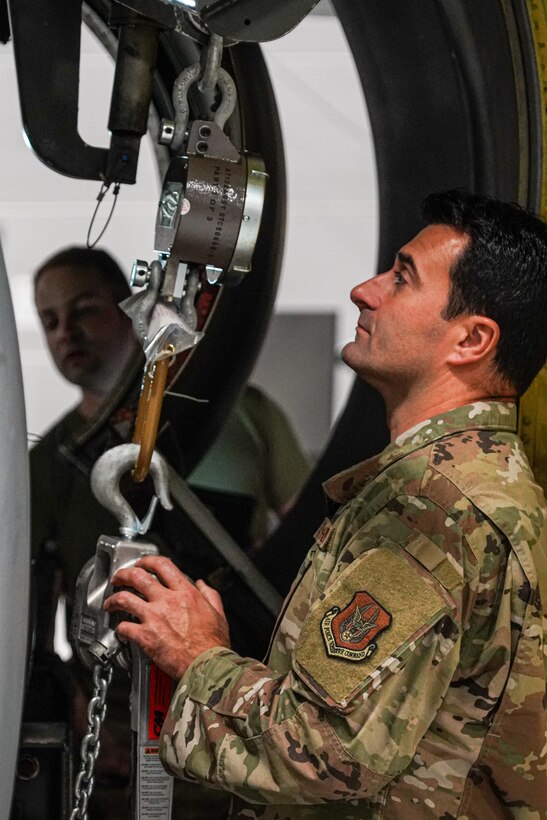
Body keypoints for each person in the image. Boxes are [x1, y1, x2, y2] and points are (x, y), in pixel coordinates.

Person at [105, 190, 547, 819]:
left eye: (402, 278)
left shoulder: (438, 507)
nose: (365, 291)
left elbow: (323, 753)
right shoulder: (473, 486)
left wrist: (198, 653)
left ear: (472, 339)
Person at [28, 245, 310, 818]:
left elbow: (314, 539)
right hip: (124, 741)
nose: (67, 333)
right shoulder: (50, 462)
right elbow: (36, 615)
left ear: (129, 308)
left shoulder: (246, 417)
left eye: (84, 309)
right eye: (50, 320)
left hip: (248, 717)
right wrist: (82, 711)